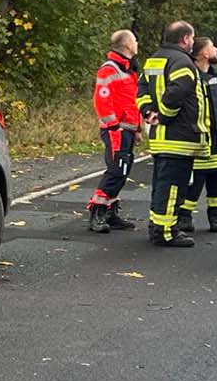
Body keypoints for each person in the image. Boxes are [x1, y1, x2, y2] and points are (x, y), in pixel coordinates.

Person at [136, 20, 207, 248]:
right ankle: (165, 232)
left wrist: (149, 113)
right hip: (179, 136)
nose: (193, 42)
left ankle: (158, 226)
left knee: (162, 184)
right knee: (174, 186)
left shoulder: (154, 59)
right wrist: (164, 115)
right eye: (192, 38)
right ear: (185, 39)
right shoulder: (182, 61)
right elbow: (178, 92)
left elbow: (142, 89)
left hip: (161, 137)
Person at [87, 30, 142, 233]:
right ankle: (97, 210)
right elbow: (102, 100)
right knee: (116, 170)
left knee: (124, 169)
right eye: (134, 40)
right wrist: (113, 126)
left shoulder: (128, 70)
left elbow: (131, 102)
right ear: (127, 44)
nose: (137, 43)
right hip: (116, 130)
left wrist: (137, 128)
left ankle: (110, 211)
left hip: (127, 128)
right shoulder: (109, 69)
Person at [178, 36, 217, 234]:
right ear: (204, 53)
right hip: (196, 143)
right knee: (191, 186)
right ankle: (183, 218)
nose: (216, 48)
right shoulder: (190, 77)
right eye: (212, 46)